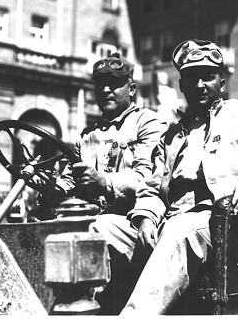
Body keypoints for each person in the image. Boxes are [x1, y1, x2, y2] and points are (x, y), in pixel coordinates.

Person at [95, 39, 238, 314]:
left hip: (224, 225)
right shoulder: (172, 135)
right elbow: (152, 188)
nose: (199, 85)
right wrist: (146, 217)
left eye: (207, 77)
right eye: (191, 78)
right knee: (100, 228)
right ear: (182, 86)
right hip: (171, 222)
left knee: (179, 229)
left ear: (221, 82)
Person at [37, 52, 167, 312]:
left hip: (139, 222)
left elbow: (147, 178)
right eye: (99, 83)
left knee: (94, 229)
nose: (106, 89)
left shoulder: (147, 123)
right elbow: (68, 186)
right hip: (100, 224)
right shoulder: (87, 135)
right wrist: (46, 186)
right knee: (41, 230)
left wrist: (104, 181)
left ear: (131, 89)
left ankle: (89, 309)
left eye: (114, 82)